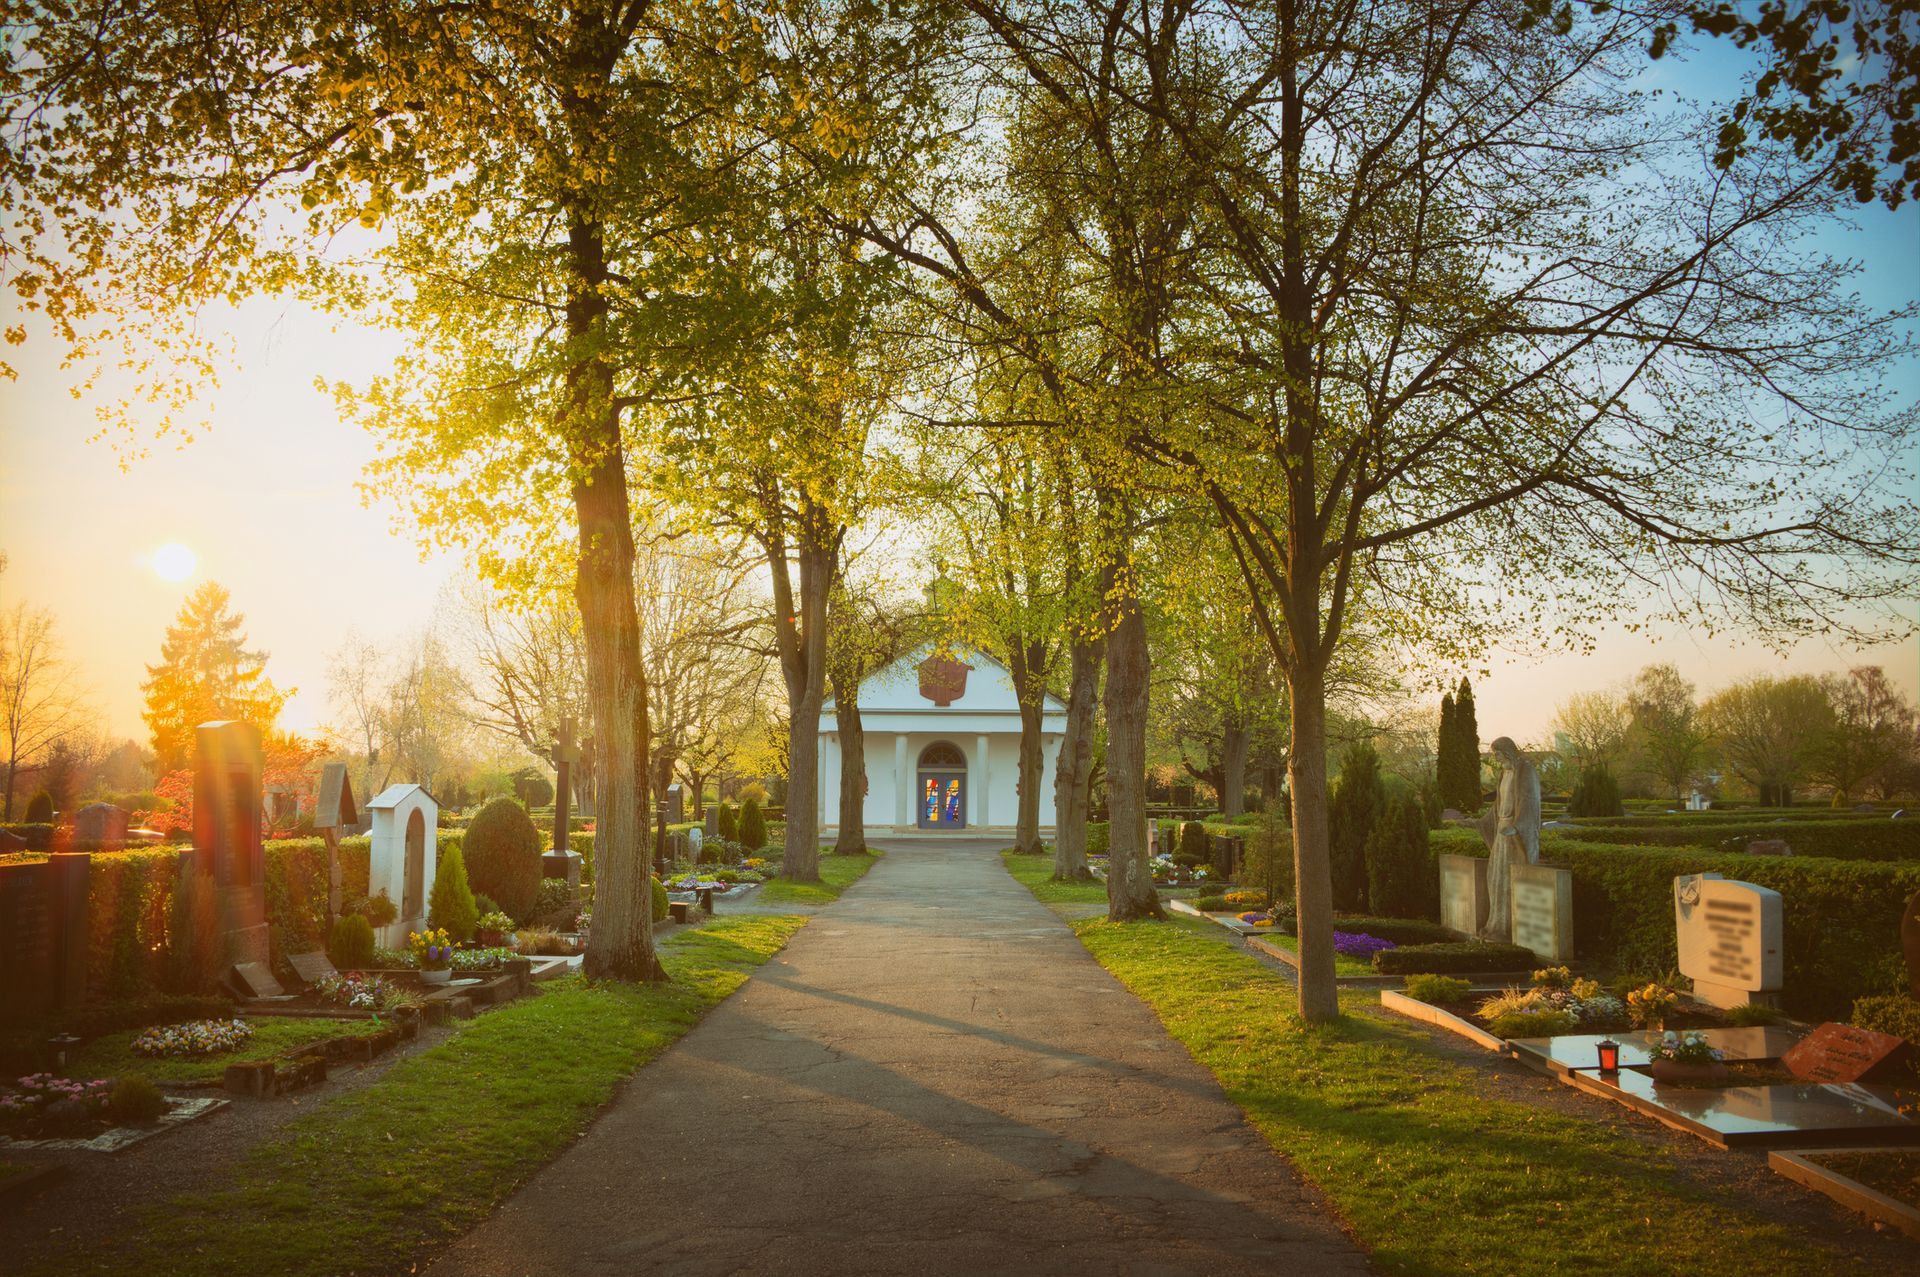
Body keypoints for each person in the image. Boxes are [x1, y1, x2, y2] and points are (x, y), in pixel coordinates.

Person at [1476, 736, 1541, 941]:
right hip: (1501, 833)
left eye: (1497, 753)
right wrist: (1478, 822)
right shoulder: (1504, 773)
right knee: (1496, 879)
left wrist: (1517, 826)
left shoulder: (1525, 770)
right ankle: (1497, 924)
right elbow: (1498, 806)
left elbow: (1530, 801)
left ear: (1507, 751)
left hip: (1515, 835)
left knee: (1510, 879)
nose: (1495, 757)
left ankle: (1512, 928)